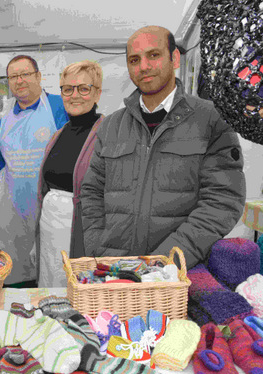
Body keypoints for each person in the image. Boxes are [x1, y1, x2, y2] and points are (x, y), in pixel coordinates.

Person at [80, 25, 246, 269]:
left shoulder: (211, 120)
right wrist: (98, 248)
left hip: (178, 273)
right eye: (134, 59)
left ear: (175, 58)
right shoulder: (111, 126)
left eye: (154, 55)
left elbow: (222, 200)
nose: (144, 66)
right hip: (115, 269)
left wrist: (165, 262)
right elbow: (92, 192)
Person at [0, 55, 69, 286]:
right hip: (14, 211)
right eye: (13, 76)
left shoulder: (58, 106)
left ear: (39, 76)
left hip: (51, 209)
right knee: (18, 274)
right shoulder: (6, 117)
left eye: (25, 74)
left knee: (52, 271)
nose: (19, 80)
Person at [36, 60, 105, 288]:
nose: (74, 95)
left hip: (82, 231)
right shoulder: (58, 135)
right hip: (49, 230)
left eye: (84, 89)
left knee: (76, 288)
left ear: (97, 94)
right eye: (68, 89)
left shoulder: (107, 135)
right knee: (51, 283)